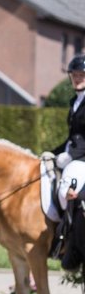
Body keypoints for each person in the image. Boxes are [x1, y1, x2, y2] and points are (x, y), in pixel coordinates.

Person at [49, 55, 85, 209]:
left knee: (66, 187)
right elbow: (72, 137)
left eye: (81, 75)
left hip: (82, 159)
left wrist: (71, 155)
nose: (77, 79)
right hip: (75, 155)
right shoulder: (75, 102)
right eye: (74, 75)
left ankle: (69, 229)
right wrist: (52, 153)